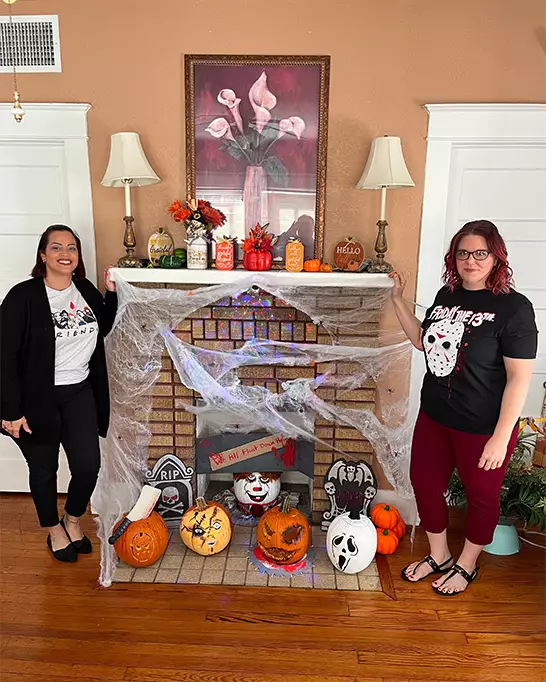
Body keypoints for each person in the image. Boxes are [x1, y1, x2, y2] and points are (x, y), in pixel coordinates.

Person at [391, 220, 537, 595]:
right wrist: (397, 300)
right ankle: (438, 555)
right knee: (424, 484)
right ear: (453, 258)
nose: (470, 261)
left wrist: (501, 436)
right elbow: (426, 342)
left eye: (480, 253)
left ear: (496, 256)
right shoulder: (446, 295)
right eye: (462, 253)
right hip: (435, 416)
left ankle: (467, 563)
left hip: (484, 426)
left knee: (482, 497)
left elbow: (519, 378)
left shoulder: (514, 308)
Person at [0, 225, 118, 563]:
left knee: (87, 466)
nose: (65, 254)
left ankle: (72, 519)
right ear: (43, 255)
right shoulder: (22, 296)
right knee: (43, 468)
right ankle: (53, 529)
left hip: (79, 391)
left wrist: (109, 292)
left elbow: (103, 324)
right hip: (36, 398)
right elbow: (4, 356)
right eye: (56, 247)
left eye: (71, 248)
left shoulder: (81, 288)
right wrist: (10, 410)